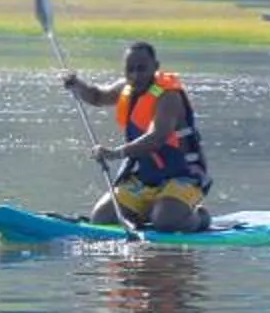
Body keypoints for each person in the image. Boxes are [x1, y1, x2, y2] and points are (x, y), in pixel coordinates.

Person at [61, 40, 212, 233]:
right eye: (130, 69)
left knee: (166, 222)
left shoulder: (169, 96)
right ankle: (148, 212)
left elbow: (157, 137)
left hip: (183, 175)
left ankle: (200, 217)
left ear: (155, 67)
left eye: (142, 69)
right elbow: (97, 96)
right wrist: (77, 85)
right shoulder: (126, 88)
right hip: (146, 177)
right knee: (102, 218)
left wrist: (115, 153)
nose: (135, 75)